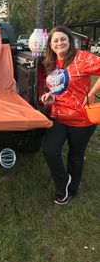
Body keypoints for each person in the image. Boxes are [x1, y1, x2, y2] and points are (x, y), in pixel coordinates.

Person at [41, 26, 100, 205]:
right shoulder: (51, 63)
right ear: (51, 45)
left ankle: (68, 191)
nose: (60, 43)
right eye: (56, 40)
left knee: (75, 156)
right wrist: (50, 96)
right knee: (50, 151)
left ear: (70, 40)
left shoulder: (81, 58)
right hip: (58, 116)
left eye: (63, 38)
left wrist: (90, 94)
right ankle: (64, 180)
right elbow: (57, 88)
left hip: (81, 119)